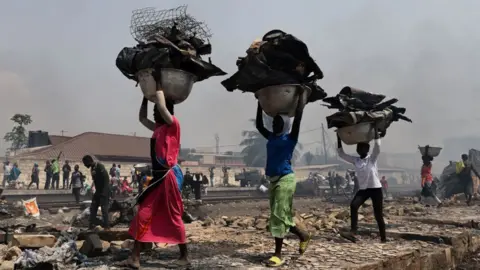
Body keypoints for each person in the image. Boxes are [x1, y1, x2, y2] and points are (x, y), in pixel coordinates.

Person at [121, 96, 188, 269]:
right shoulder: (158, 128)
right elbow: (142, 119)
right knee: (143, 214)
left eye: (157, 109)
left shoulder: (174, 125)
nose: (154, 111)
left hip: (168, 177)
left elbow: (163, 108)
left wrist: (157, 85)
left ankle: (184, 256)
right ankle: (134, 257)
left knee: (173, 216)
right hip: (158, 178)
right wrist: (144, 97)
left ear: (166, 110)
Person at [255, 91, 311, 267]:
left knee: (277, 215)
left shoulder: (291, 138)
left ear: (286, 124)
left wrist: (301, 99)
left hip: (286, 179)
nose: (275, 123)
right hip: (274, 179)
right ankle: (303, 235)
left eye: (279, 122)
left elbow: (299, 119)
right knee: (281, 215)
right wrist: (259, 101)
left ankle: (278, 254)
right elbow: (258, 124)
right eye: (274, 121)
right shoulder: (271, 137)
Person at [337, 123, 386, 243]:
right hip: (364, 189)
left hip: (375, 189)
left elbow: (378, 147)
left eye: (362, 148)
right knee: (354, 205)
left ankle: (383, 239)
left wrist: (375, 133)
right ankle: (353, 231)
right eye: (358, 148)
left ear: (367, 149)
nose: (360, 150)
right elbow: (341, 154)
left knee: (378, 215)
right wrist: (339, 138)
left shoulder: (372, 159)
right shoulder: (356, 160)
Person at [82, 155, 110, 230]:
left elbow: (106, 179)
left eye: (85, 163)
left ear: (88, 161)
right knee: (93, 208)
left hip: (104, 191)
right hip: (98, 192)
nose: (84, 165)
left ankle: (106, 226)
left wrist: (104, 192)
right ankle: (91, 226)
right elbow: (95, 181)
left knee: (104, 209)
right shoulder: (92, 169)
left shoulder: (99, 166)